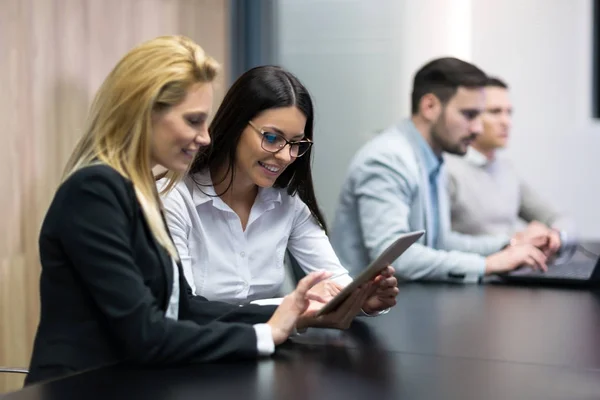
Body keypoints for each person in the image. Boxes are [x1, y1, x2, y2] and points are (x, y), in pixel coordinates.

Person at [25, 36, 373, 386]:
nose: (206, 137)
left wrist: (293, 316)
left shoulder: (137, 189)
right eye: (193, 121)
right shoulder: (95, 190)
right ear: (143, 112)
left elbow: (185, 307)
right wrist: (265, 334)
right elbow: (148, 333)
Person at [159, 65, 398, 314]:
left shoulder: (287, 205)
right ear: (235, 125)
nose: (286, 156)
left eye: (296, 143)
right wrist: (293, 308)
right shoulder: (174, 200)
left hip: (269, 346)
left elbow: (335, 284)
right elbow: (184, 309)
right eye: (272, 138)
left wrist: (364, 301)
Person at [330, 57, 554, 283]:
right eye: (469, 115)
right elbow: (394, 258)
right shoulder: (388, 159)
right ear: (430, 107)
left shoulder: (433, 158)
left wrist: (509, 244)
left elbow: (439, 242)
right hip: (363, 313)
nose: (477, 128)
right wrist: (488, 265)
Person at [445, 76, 574, 255]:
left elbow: (558, 217)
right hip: (474, 274)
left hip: (512, 269)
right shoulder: (447, 170)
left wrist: (555, 237)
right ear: (471, 117)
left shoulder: (507, 170)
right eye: (495, 112)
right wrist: (513, 242)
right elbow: (439, 243)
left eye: (509, 113)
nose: (506, 122)